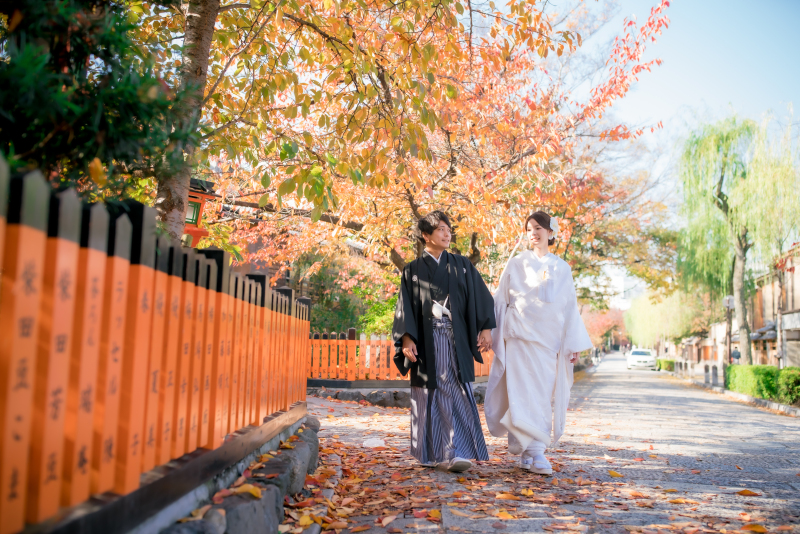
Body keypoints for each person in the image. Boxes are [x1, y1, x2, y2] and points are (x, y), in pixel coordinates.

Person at [485, 211, 592, 474]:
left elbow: (569, 307)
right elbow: (500, 300)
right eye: (529, 228)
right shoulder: (517, 263)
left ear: (550, 232)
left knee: (542, 396)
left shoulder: (562, 268)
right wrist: (490, 332)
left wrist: (572, 342)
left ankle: (526, 453)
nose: (533, 233)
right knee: (522, 394)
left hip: (549, 342)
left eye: (538, 228)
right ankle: (537, 453)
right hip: (520, 338)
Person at [392, 211, 496, 472]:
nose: (447, 233)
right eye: (440, 229)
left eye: (448, 229)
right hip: (427, 340)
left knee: (457, 390)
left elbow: (481, 297)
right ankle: (442, 452)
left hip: (455, 337)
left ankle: (453, 451)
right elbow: (404, 307)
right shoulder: (413, 270)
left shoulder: (462, 265)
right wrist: (406, 338)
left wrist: (485, 328)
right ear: (426, 236)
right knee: (434, 391)